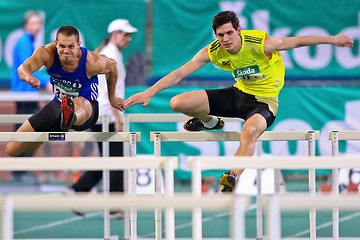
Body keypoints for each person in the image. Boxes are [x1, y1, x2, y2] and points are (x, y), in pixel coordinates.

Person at [125, 11, 354, 192]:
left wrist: (333, 39)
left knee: (250, 131)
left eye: (229, 33)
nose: (225, 39)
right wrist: (150, 92)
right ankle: (210, 122)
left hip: (263, 104)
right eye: (220, 35)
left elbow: (296, 42)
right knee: (177, 103)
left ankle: (232, 175)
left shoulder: (260, 43)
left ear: (239, 31)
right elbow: (179, 73)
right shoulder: (214, 51)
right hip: (237, 95)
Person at [5, 25, 127, 158]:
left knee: (78, 102)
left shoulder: (91, 61)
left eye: (71, 46)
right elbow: (23, 68)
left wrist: (112, 97)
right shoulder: (47, 53)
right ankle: (51, 128)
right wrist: (28, 76)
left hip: (86, 108)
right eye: (62, 46)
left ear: (78, 45)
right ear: (56, 44)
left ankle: (70, 117)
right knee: (12, 149)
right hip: (57, 105)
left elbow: (113, 66)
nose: (66, 51)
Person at [70, 19, 137, 219]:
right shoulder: (110, 54)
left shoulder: (110, 53)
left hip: (103, 114)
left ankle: (81, 191)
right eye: (125, 35)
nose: (129, 38)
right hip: (105, 115)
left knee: (111, 158)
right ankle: (111, 205)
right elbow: (111, 91)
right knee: (116, 160)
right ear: (115, 35)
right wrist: (117, 117)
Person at [10, 10, 50, 181]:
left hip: (27, 95)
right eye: (34, 23)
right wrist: (48, 83)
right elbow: (29, 70)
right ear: (26, 25)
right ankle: (20, 171)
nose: (37, 26)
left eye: (39, 23)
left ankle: (21, 170)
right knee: (28, 130)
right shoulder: (24, 42)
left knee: (29, 130)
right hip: (24, 95)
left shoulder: (29, 42)